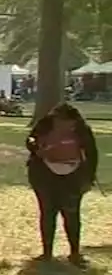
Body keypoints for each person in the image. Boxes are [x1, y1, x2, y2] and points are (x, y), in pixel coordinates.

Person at [26, 103, 98, 266]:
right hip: (44, 175)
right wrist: (36, 149)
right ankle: (48, 253)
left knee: (70, 215)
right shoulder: (45, 124)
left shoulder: (82, 128)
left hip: (73, 177)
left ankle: (74, 253)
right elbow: (30, 139)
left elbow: (91, 153)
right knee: (49, 213)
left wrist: (88, 178)